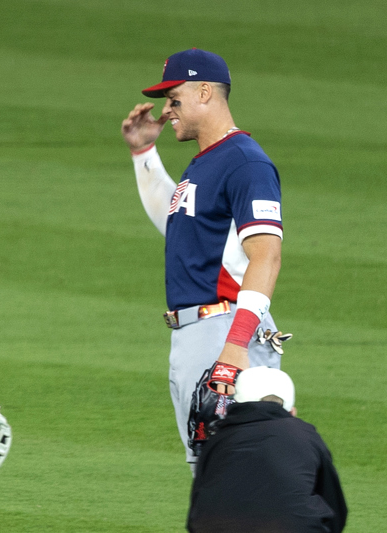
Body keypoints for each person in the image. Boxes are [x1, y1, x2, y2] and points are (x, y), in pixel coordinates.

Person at [121, 48, 286, 467]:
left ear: (205, 93)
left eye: (174, 98)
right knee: (213, 474)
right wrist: (144, 154)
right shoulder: (205, 163)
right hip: (200, 333)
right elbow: (177, 223)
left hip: (225, 330)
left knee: (239, 474)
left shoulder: (245, 163)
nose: (166, 110)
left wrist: (235, 345)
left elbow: (266, 257)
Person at [187, 367, 348, 532]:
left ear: (237, 405)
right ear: (292, 411)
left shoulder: (217, 439)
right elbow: (334, 506)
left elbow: (197, 509)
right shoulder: (305, 434)